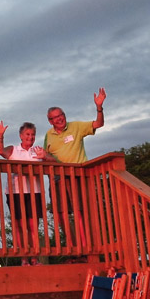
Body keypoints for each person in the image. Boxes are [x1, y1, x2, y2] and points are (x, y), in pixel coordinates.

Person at [43, 87, 106, 253]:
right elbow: (46, 157)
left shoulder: (76, 126)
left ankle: (86, 247)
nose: (59, 119)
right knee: (61, 214)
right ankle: (72, 247)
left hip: (78, 175)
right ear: (50, 121)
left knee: (81, 211)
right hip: (57, 179)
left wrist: (99, 107)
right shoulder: (48, 135)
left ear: (65, 115)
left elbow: (99, 124)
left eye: (61, 115)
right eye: (55, 118)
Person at [0, 121, 47, 266]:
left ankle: (34, 258)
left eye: (33, 135)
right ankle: (24, 258)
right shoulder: (13, 150)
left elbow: (50, 161)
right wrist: (0, 136)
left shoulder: (37, 151)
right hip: (15, 192)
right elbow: (1, 151)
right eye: (27, 134)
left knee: (32, 226)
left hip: (33, 192)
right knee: (18, 225)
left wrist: (45, 157)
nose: (30, 137)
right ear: (21, 136)